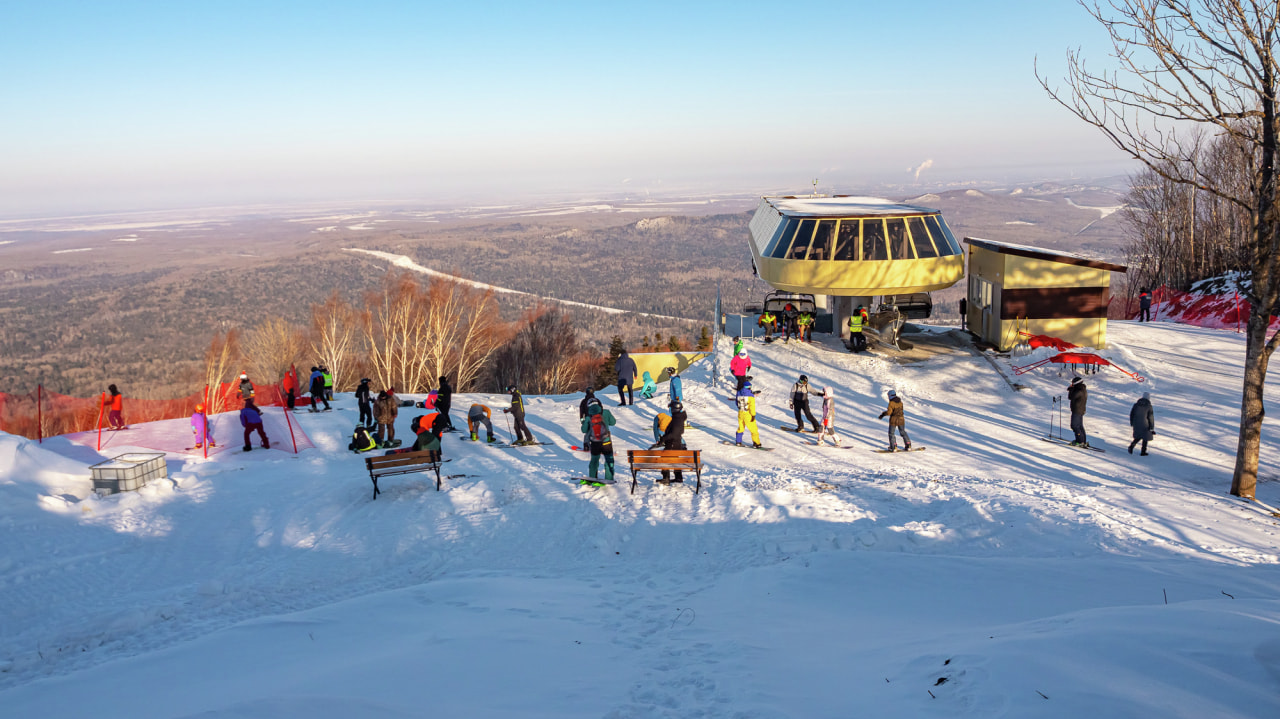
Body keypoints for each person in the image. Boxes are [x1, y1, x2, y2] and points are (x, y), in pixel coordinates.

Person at [581, 402, 617, 483]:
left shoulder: (589, 416)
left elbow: (584, 430)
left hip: (595, 442)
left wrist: (585, 422)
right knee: (608, 459)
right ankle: (609, 478)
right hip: (606, 442)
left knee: (594, 460)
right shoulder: (606, 412)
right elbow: (613, 422)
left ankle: (592, 477)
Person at [653, 399, 688, 483]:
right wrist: (663, 438)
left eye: (671, 408)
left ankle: (666, 478)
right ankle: (678, 477)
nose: (670, 410)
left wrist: (663, 439)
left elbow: (674, 434)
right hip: (676, 443)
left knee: (664, 459)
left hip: (673, 443)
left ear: (674, 408)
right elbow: (678, 431)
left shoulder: (677, 418)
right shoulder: (678, 417)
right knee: (675, 459)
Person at [735, 379, 762, 448]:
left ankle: (738, 441)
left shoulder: (738, 393)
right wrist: (753, 415)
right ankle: (756, 443)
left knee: (741, 427)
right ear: (749, 387)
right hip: (748, 414)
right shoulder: (750, 396)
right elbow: (752, 407)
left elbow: (736, 403)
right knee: (753, 429)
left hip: (740, 412)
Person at [1129, 392, 1155, 456]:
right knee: (1145, 437)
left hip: (1136, 423)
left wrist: (1132, 423)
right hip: (1145, 423)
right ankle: (1143, 452)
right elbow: (1150, 417)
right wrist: (1151, 427)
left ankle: (1131, 446)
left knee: (1138, 435)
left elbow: (1132, 414)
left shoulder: (1136, 405)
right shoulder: (1149, 406)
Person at [1068, 376, 1089, 447]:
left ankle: (1079, 441)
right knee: (1079, 426)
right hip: (1080, 410)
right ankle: (1083, 441)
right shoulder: (1082, 389)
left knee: (1074, 426)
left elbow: (1071, 397)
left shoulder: (1079, 390)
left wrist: (1071, 389)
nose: (1072, 384)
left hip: (1077, 410)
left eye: (1073, 383)